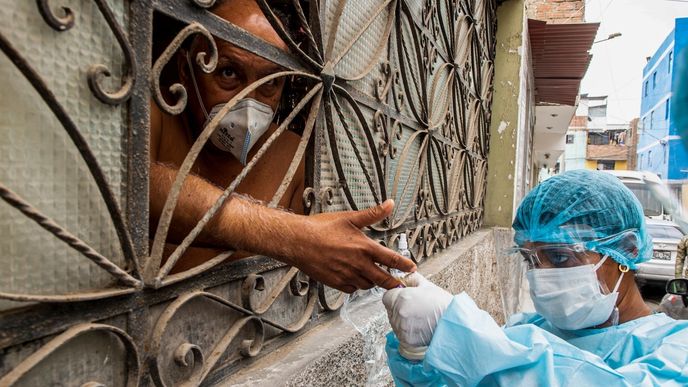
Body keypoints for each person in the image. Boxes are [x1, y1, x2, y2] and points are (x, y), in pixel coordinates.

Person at [150, 0, 415, 292]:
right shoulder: (156, 115)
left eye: (269, 83)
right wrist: (289, 236)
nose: (248, 103)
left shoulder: (293, 154)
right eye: (228, 73)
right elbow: (137, 187)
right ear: (186, 70)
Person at [383, 170, 688, 386]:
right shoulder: (523, 330)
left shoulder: (677, 348)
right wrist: (421, 355)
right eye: (530, 260)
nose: (542, 277)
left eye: (559, 256)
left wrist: (462, 339)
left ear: (626, 249)